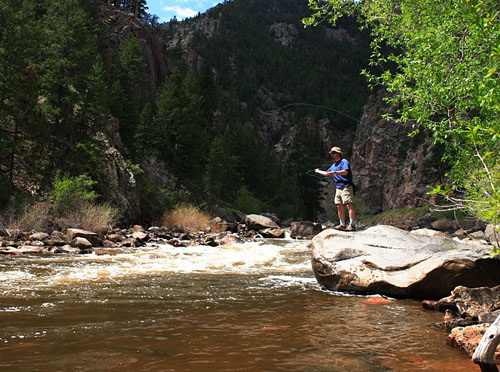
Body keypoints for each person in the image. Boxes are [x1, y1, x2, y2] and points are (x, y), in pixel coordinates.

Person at [315, 146, 356, 231]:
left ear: (338, 153)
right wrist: (318, 171)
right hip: (338, 187)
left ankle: (352, 224)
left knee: (349, 204)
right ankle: (342, 224)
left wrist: (335, 172)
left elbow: (345, 172)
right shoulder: (333, 166)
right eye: (331, 153)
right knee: (339, 206)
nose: (332, 155)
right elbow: (327, 173)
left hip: (346, 186)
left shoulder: (344, 161)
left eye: (334, 153)